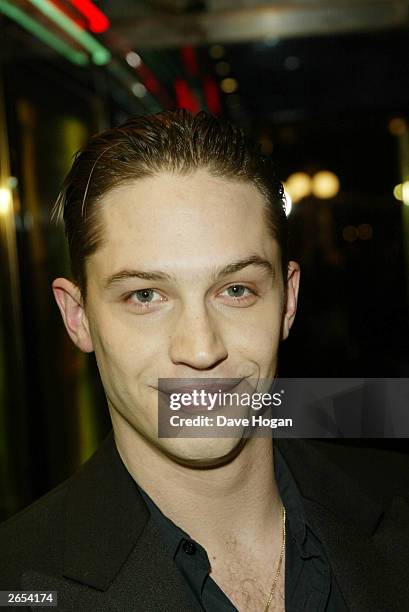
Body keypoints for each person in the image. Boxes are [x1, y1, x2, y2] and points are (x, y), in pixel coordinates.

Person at [1, 110, 409, 612]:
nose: (200, 349)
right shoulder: (17, 579)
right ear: (78, 317)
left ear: (289, 301)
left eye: (236, 290)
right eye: (146, 296)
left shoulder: (398, 506)